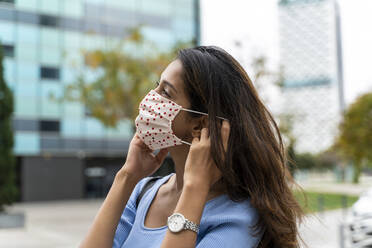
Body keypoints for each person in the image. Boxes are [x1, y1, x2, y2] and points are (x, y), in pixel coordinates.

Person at [79, 46, 304, 248]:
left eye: (166, 92)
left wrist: (195, 187)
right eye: (156, 86)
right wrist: (126, 176)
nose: (150, 98)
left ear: (201, 123)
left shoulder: (238, 217)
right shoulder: (143, 192)